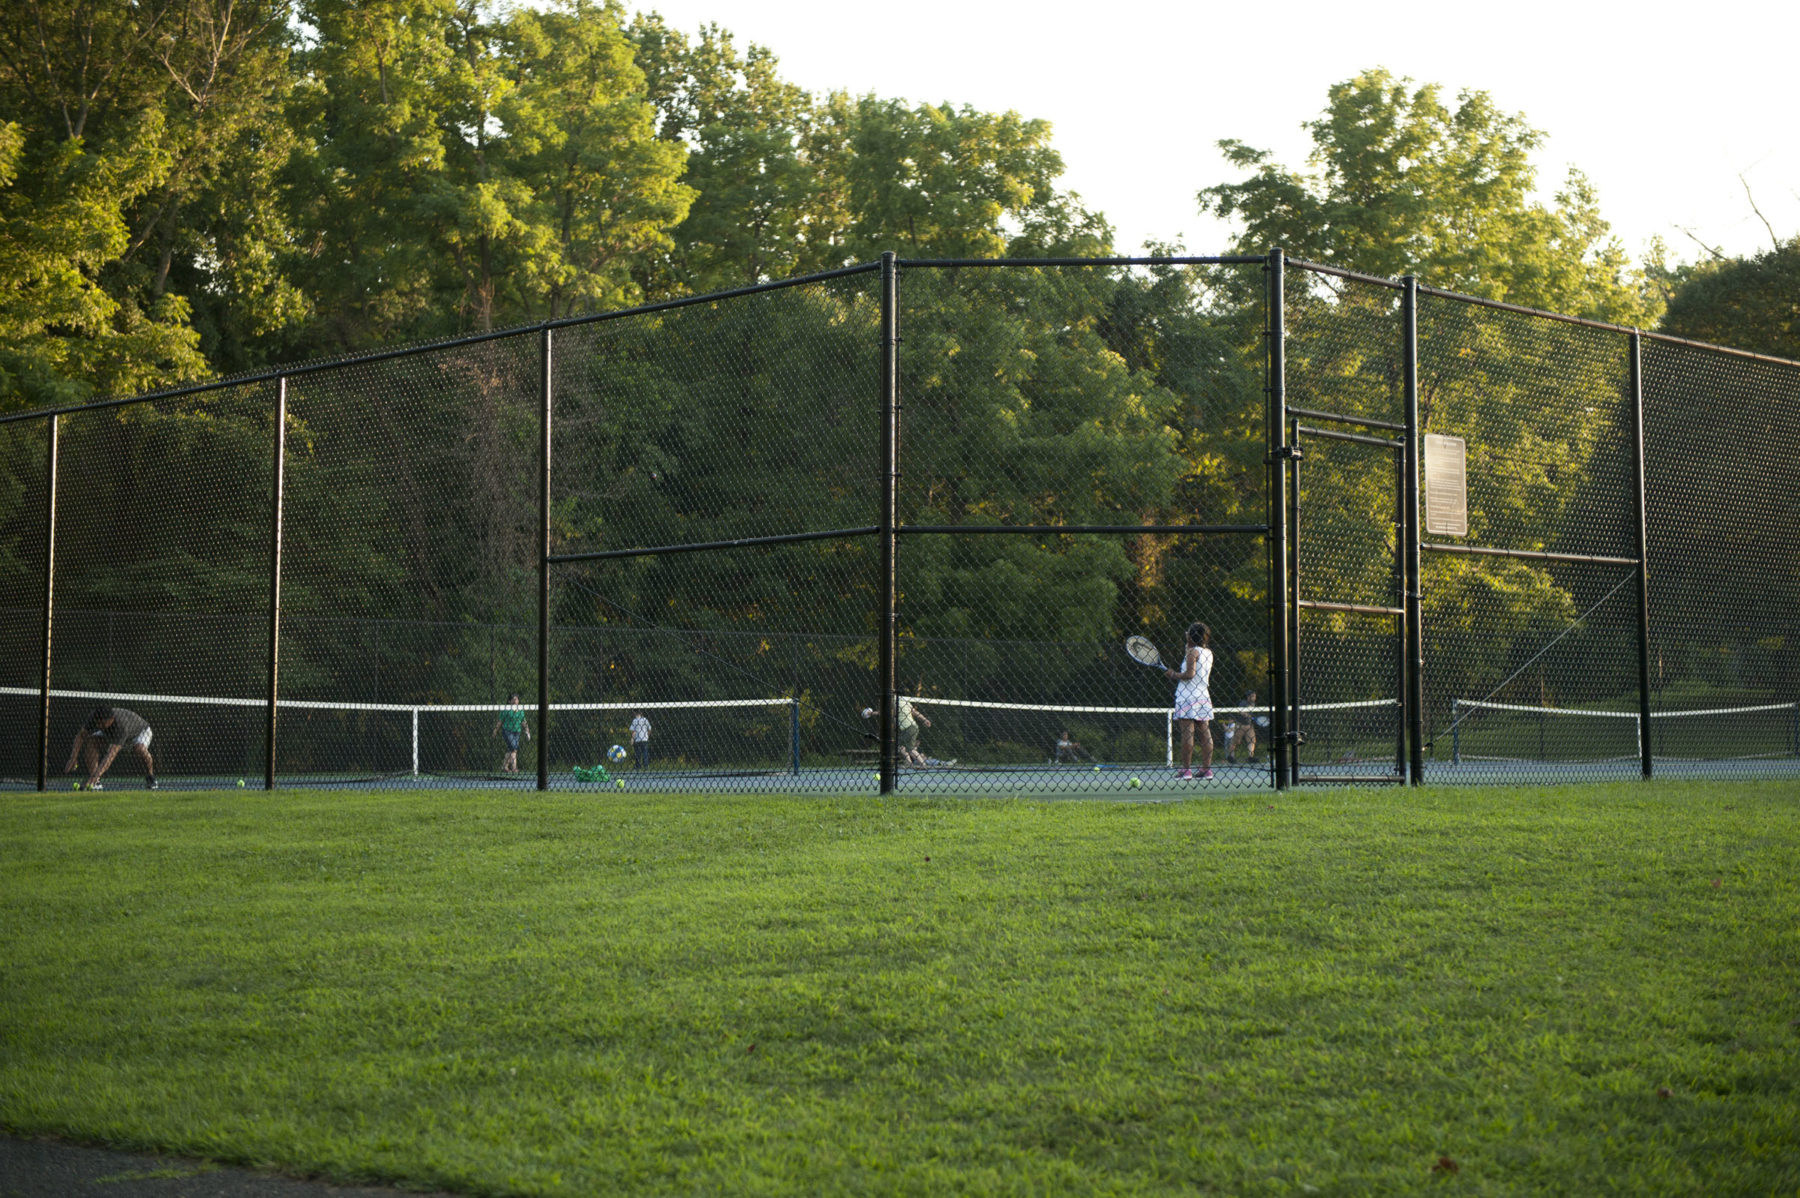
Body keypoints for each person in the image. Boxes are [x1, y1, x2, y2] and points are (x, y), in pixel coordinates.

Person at [1164, 622, 1214, 780]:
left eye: (1188, 632)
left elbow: (1190, 674)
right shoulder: (1208, 652)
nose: (1185, 633)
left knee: (1187, 734)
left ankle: (1186, 770)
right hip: (1203, 696)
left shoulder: (1192, 652)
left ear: (1192, 636)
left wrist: (1173, 674)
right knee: (1205, 732)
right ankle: (1207, 769)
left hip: (1187, 696)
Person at [65, 706, 156, 791]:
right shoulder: (94, 718)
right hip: (111, 734)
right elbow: (81, 736)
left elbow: (110, 756)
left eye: (102, 723)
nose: (99, 725)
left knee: (139, 749)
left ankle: (150, 777)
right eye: (98, 723)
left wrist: (96, 776)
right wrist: (73, 757)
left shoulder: (121, 726)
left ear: (111, 720)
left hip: (139, 733)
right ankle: (96, 783)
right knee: (91, 742)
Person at [493, 693, 530, 772]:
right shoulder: (506, 709)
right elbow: (500, 721)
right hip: (507, 731)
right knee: (514, 748)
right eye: (513, 699)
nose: (515, 700)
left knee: (512, 750)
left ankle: (504, 766)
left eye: (516, 699)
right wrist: (495, 731)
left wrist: (527, 731)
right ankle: (514, 768)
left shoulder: (520, 710)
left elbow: (523, 721)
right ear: (509, 701)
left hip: (517, 732)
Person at [1224, 690, 1259, 764]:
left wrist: (1250, 717)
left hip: (1249, 725)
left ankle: (1250, 756)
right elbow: (1240, 711)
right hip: (1241, 725)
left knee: (1252, 740)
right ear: (1248, 697)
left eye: (1255, 696)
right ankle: (1230, 757)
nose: (1254, 697)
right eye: (1253, 696)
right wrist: (1246, 715)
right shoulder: (1243, 703)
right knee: (1235, 741)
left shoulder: (1253, 704)